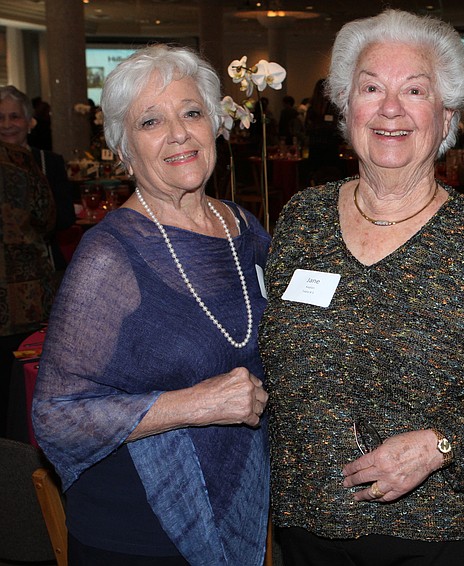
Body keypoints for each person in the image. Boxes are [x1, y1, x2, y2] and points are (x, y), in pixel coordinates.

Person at [260, 9, 464, 566]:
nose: (390, 108)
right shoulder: (302, 219)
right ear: (346, 107)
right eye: (371, 88)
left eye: (414, 90)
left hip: (442, 534)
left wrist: (440, 445)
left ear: (446, 114)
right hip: (309, 526)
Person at [32, 44, 271, 565]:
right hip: (137, 526)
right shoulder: (110, 255)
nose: (178, 133)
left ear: (215, 126)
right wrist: (193, 404)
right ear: (123, 151)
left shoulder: (243, 227)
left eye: (191, 112)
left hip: (240, 492)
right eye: (150, 121)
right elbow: (54, 415)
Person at [0, 141, 55, 438]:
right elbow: (47, 216)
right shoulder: (19, 158)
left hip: (22, 292)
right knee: (20, 393)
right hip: (25, 292)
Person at [0, 86, 76, 269]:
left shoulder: (49, 162)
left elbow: (66, 217)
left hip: (44, 267)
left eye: (14, 116)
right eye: (0, 118)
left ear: (29, 122)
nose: (7, 124)